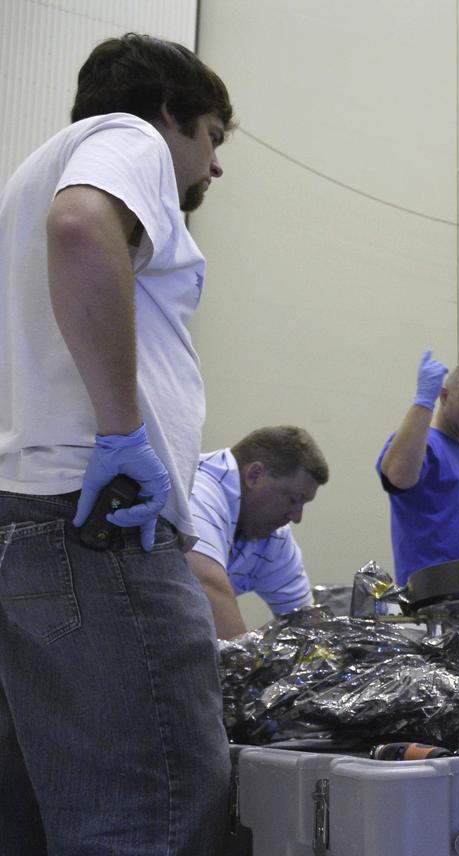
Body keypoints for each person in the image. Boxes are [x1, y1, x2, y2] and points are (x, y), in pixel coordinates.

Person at [0, 33, 233, 853]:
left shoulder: (24, 182)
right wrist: (123, 431)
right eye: (212, 136)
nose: (215, 165)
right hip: (103, 525)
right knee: (150, 818)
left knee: (40, 822)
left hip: (29, 524)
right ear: (170, 113)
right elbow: (81, 227)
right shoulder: (129, 139)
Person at [187, 426, 329, 638]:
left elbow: (307, 628)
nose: (297, 517)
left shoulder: (273, 535)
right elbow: (209, 590)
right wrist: (249, 669)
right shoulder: (196, 490)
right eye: (293, 499)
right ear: (254, 475)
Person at [378, 349, 459, 585]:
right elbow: (398, 476)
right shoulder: (424, 444)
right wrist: (422, 402)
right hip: (435, 603)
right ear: (444, 396)